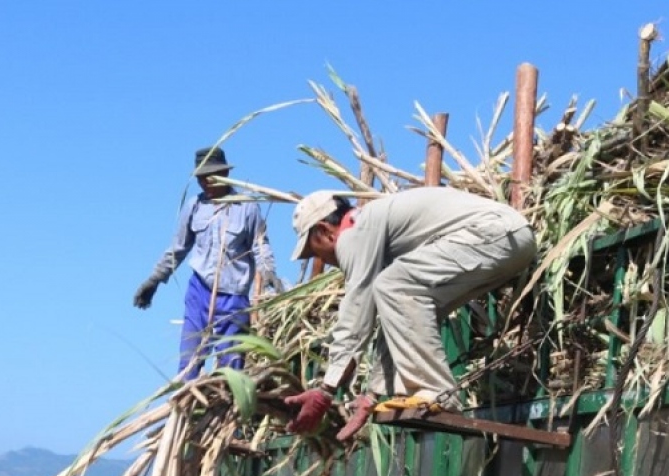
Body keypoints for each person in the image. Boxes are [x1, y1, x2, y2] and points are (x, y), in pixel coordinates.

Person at [282, 187, 537, 441]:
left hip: (492, 233)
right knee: (399, 290)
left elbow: (356, 309)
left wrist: (326, 390)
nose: (322, 260)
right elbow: (398, 317)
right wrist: (372, 394)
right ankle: (433, 391)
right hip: (510, 240)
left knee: (393, 284)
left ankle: (435, 391)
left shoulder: (354, 232)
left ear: (325, 231)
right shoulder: (377, 234)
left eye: (315, 251)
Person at [133, 146, 283, 377]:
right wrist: (154, 280)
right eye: (201, 179)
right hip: (199, 293)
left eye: (211, 178)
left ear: (225, 175)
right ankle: (187, 406)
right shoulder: (194, 207)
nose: (206, 184)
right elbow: (178, 248)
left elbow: (260, 246)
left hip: (233, 300)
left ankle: (226, 408)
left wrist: (270, 273)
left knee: (230, 369)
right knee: (188, 366)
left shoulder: (247, 208)